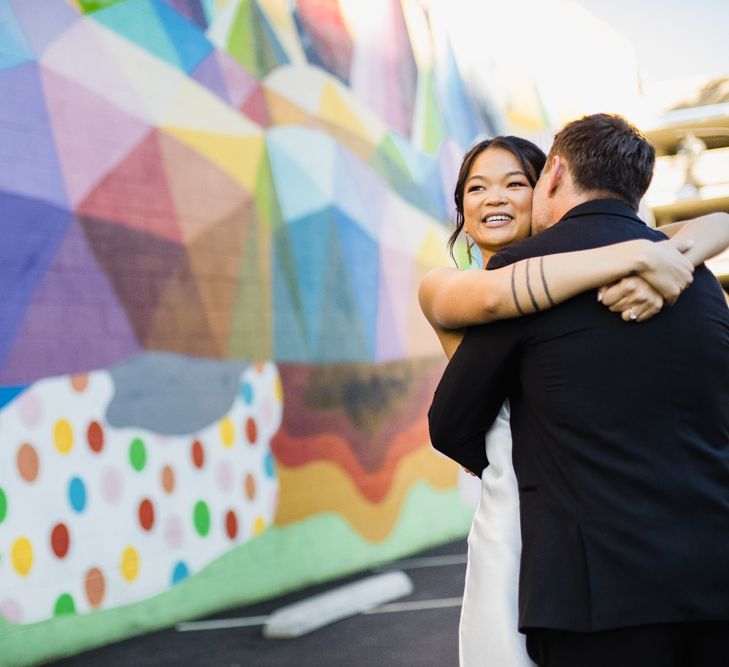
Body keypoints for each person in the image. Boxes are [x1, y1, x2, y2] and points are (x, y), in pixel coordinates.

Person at [421, 124, 729, 666]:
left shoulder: (657, 259)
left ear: (549, 182)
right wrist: (645, 259)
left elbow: (717, 222)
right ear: (460, 209)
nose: (495, 197)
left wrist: (669, 256)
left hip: (578, 547)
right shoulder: (458, 286)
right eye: (475, 188)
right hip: (524, 513)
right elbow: (495, 298)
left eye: (516, 183)